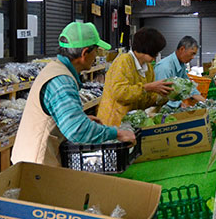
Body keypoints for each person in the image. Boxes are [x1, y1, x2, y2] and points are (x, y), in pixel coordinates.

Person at [12, 21, 135, 167]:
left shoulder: (56, 68)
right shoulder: (62, 81)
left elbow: (55, 116)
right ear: (84, 54)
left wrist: (79, 117)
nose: (97, 56)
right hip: (36, 165)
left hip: (31, 160)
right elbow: (77, 130)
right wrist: (117, 133)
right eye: (96, 50)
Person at [97, 27, 172, 127]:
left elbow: (143, 100)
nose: (156, 56)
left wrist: (164, 96)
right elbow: (119, 93)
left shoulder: (148, 68)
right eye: (155, 53)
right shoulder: (123, 61)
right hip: (113, 123)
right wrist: (147, 87)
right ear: (146, 49)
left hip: (131, 123)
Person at [153, 36, 206, 109]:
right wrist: (179, 105)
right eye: (192, 53)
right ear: (182, 49)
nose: (193, 57)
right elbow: (160, 97)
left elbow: (190, 88)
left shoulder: (181, 65)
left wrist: (205, 102)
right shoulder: (164, 67)